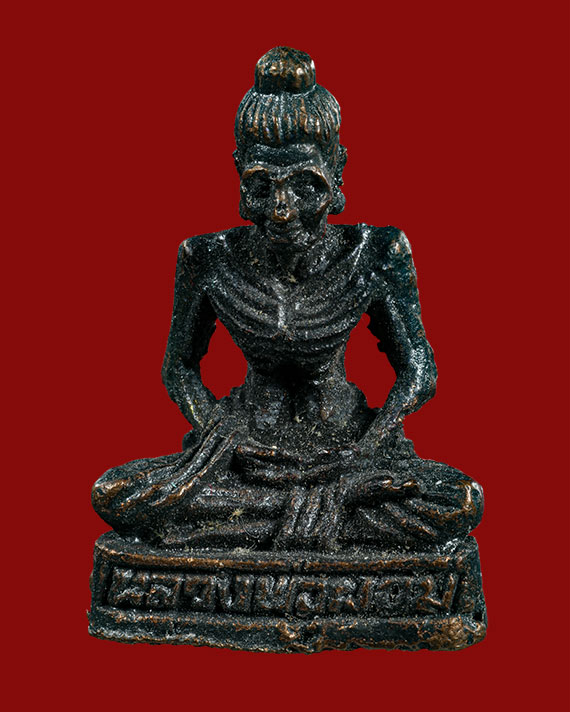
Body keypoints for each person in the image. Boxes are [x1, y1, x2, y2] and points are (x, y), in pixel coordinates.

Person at [92, 47, 482, 552]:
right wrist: (223, 436)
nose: (282, 210)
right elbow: (179, 369)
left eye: (305, 186)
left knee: (459, 500)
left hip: (347, 447)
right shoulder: (207, 258)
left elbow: (419, 370)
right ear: (238, 171)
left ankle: (283, 514)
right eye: (262, 186)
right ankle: (328, 510)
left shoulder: (376, 252)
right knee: (116, 493)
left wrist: (365, 451)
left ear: (337, 172)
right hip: (246, 453)